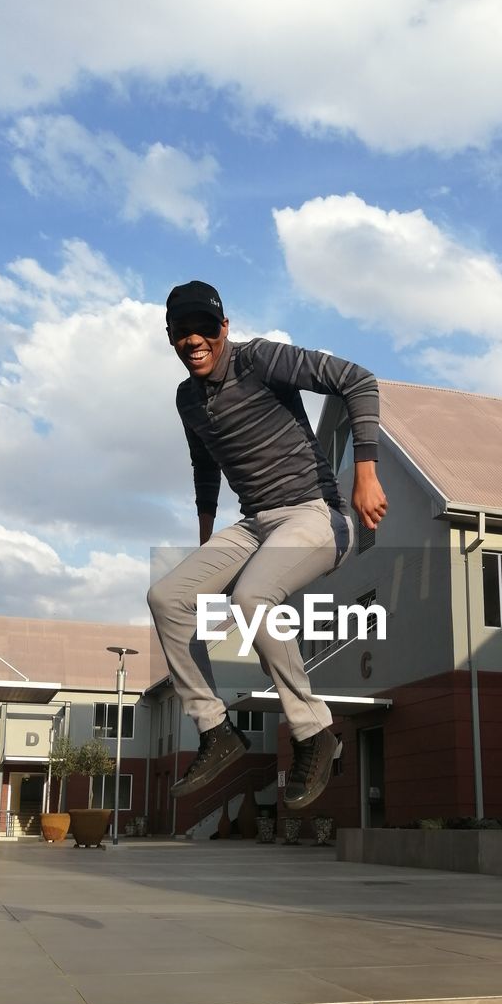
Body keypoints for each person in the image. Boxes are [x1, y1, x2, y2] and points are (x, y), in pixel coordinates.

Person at [147, 280, 388, 811]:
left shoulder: (262, 360)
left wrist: (364, 473)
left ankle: (314, 731)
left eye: (204, 329)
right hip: (254, 524)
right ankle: (215, 731)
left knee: (252, 598)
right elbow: (204, 462)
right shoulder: (189, 398)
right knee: (168, 597)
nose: (194, 340)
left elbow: (358, 380)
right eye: (182, 332)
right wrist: (206, 536)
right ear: (170, 338)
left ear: (224, 328)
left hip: (316, 514)